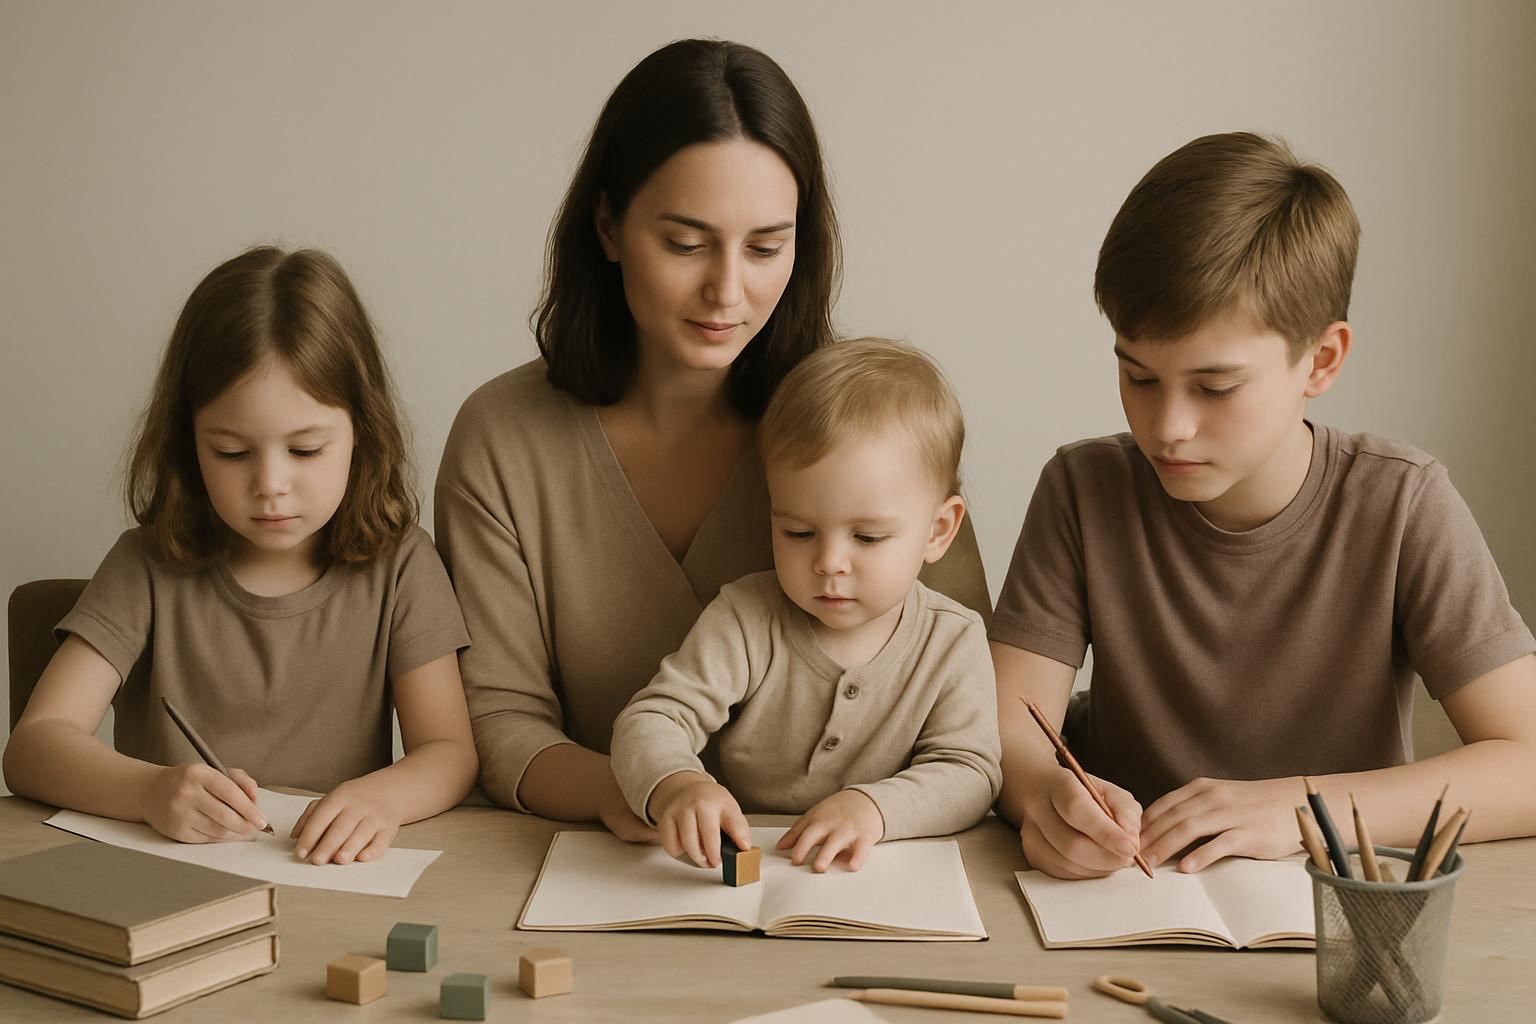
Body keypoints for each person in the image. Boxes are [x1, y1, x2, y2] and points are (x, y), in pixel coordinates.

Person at [435, 39, 990, 838]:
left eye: (766, 247)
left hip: (858, 885)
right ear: (609, 225)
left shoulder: (871, 428)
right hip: (608, 866)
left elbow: (970, 714)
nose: (728, 291)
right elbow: (500, 722)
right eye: (686, 243)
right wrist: (652, 790)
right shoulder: (503, 438)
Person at [990, 132, 1536, 879]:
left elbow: (1529, 765)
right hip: (1131, 903)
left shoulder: (1404, 502)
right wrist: (1046, 798)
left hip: (1333, 917)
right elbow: (1007, 739)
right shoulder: (1082, 490)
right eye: (1139, 377)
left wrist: (1297, 809)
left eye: (1215, 387)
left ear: (1322, 360)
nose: (1167, 426)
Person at [3, 247, 478, 866]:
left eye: (305, 450)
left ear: (361, 434)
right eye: (231, 452)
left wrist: (381, 799)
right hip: (164, 882)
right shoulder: (145, 566)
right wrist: (148, 790)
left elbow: (449, 750)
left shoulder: (402, 566)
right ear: (187, 443)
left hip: (327, 882)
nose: (270, 484)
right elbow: (34, 746)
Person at [611, 339, 1001, 873]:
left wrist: (874, 808)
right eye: (798, 531)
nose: (829, 562)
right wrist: (677, 784)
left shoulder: (953, 640)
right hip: (753, 865)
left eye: (866, 537)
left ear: (938, 531)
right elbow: (653, 717)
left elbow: (971, 772)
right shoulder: (747, 616)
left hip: (887, 874)